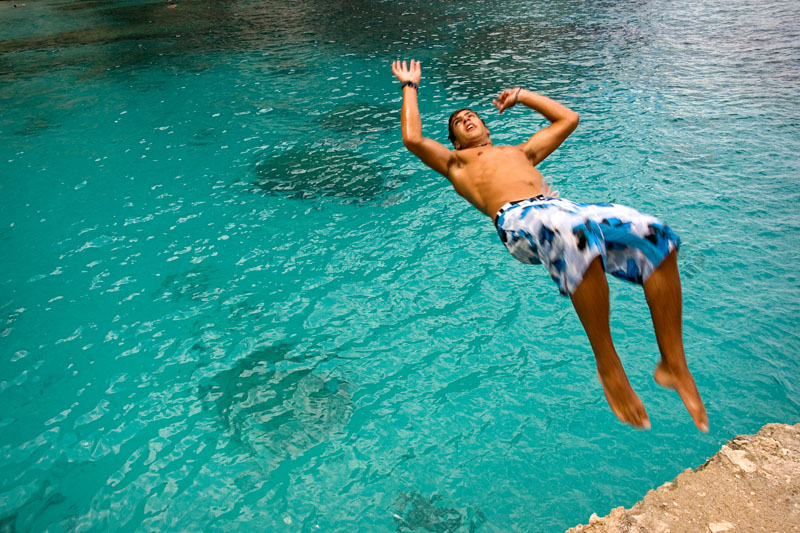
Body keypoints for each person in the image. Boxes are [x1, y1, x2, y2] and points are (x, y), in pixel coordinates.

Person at [391, 59, 708, 431]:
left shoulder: (520, 152)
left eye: (470, 114)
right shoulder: (455, 163)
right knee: (573, 231)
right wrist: (410, 86)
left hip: (561, 210)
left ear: (487, 125)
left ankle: (673, 363)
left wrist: (523, 96)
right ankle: (608, 363)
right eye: (457, 122)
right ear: (455, 141)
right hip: (517, 220)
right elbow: (412, 139)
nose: (465, 119)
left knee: (654, 234)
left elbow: (568, 119)